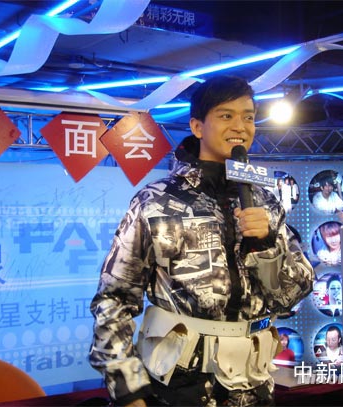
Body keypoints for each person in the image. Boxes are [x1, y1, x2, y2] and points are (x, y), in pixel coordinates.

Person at [89, 75, 314, 407]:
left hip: (255, 386)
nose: (240, 126)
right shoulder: (155, 201)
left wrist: (268, 245)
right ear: (197, 126)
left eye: (248, 117)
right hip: (178, 388)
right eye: (226, 115)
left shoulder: (264, 201)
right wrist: (128, 391)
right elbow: (114, 299)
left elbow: (291, 297)